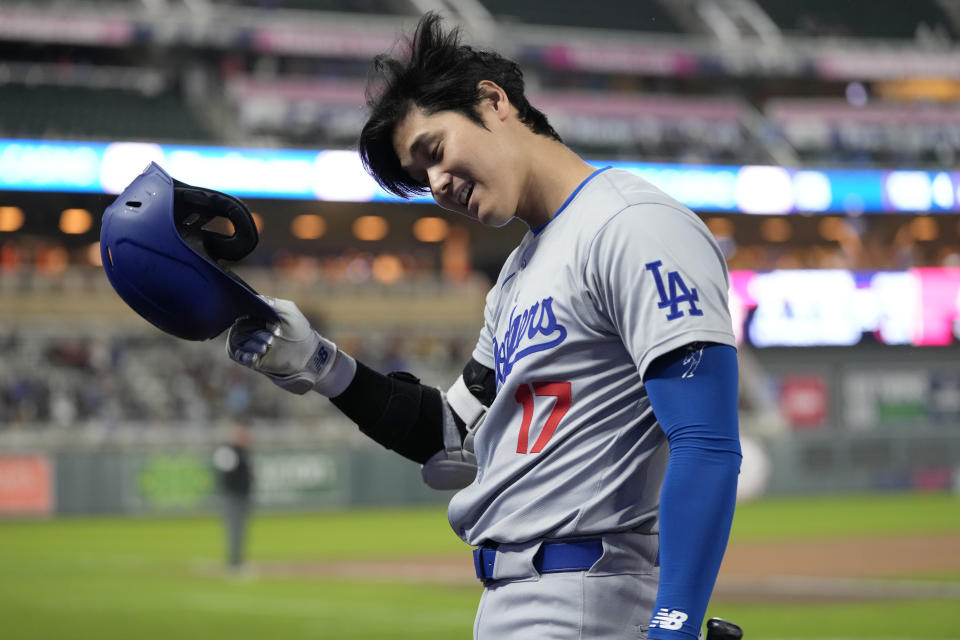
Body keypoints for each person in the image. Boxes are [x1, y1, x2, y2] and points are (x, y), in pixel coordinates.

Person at [226, 12, 741, 639]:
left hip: (588, 598)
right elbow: (451, 433)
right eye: (422, 179)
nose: (437, 184)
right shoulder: (516, 278)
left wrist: (675, 625)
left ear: (492, 101)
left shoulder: (632, 224)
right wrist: (323, 366)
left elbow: (705, 440)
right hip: (515, 599)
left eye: (434, 152)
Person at [212, 423, 254, 572]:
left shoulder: (244, 452)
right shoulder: (230, 452)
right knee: (234, 529)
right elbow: (226, 475)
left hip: (243, 496)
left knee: (241, 530)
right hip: (233, 496)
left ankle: (238, 559)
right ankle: (234, 562)